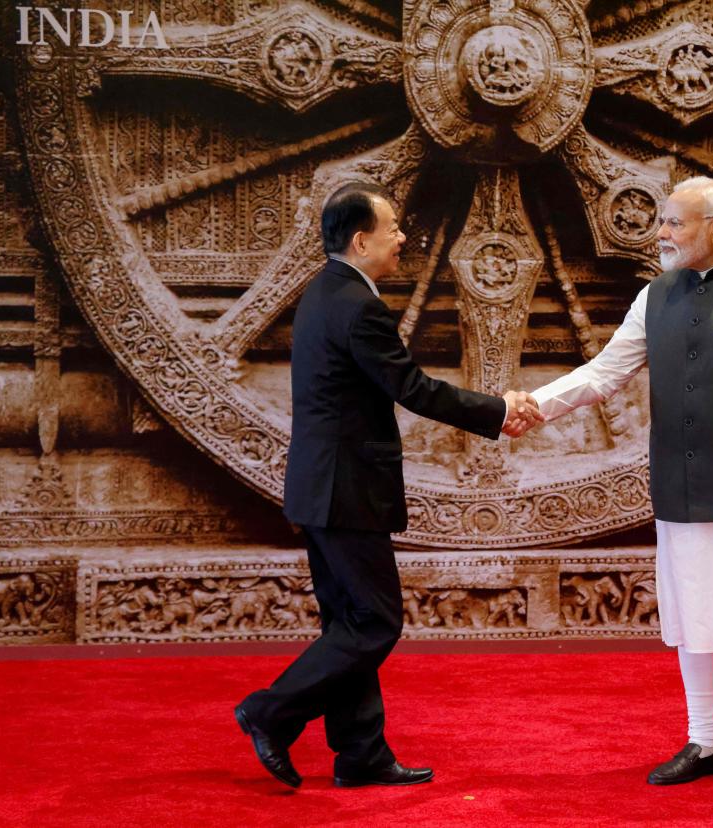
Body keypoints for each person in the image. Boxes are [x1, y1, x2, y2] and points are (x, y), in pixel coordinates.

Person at [522, 176, 713, 801]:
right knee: (693, 618)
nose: (660, 234)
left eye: (674, 223)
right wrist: (532, 405)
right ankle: (706, 740)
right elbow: (606, 373)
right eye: (663, 222)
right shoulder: (653, 297)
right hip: (681, 488)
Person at [235, 182, 542, 789]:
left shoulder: (324, 294)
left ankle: (361, 754)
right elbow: (413, 389)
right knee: (374, 623)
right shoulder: (358, 305)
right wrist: (498, 410)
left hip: (323, 486)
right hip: (347, 490)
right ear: (360, 239)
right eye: (393, 227)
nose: (403, 237)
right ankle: (268, 712)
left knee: (348, 622)